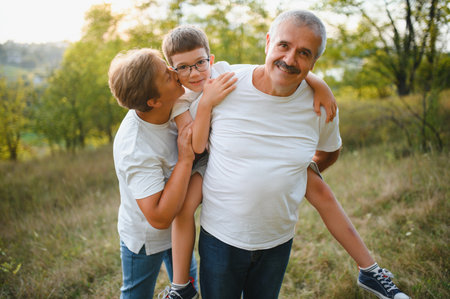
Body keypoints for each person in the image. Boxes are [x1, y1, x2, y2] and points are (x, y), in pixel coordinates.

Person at [194, 10, 410, 299]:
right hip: (221, 239)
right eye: (284, 45)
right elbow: (178, 79)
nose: (290, 59)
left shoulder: (321, 107)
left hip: (277, 241)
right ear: (268, 42)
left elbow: (330, 153)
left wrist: (299, 174)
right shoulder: (223, 80)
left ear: (314, 61)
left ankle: (370, 270)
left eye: (304, 53)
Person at [158, 25, 340, 299]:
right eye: (183, 68)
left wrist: (320, 84)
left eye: (200, 63)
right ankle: (181, 285)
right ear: (173, 71)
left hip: (226, 160)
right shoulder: (180, 101)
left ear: (212, 59)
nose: (194, 73)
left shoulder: (222, 74)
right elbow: (197, 146)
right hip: (200, 162)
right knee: (184, 209)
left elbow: (275, 67)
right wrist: (206, 103)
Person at [109, 48, 199, 299]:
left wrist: (317, 84)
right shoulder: (135, 148)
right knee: (136, 294)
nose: (175, 71)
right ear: (153, 101)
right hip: (145, 239)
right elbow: (158, 218)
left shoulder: (173, 101)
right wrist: (185, 159)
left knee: (187, 292)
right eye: (166, 74)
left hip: (178, 230)